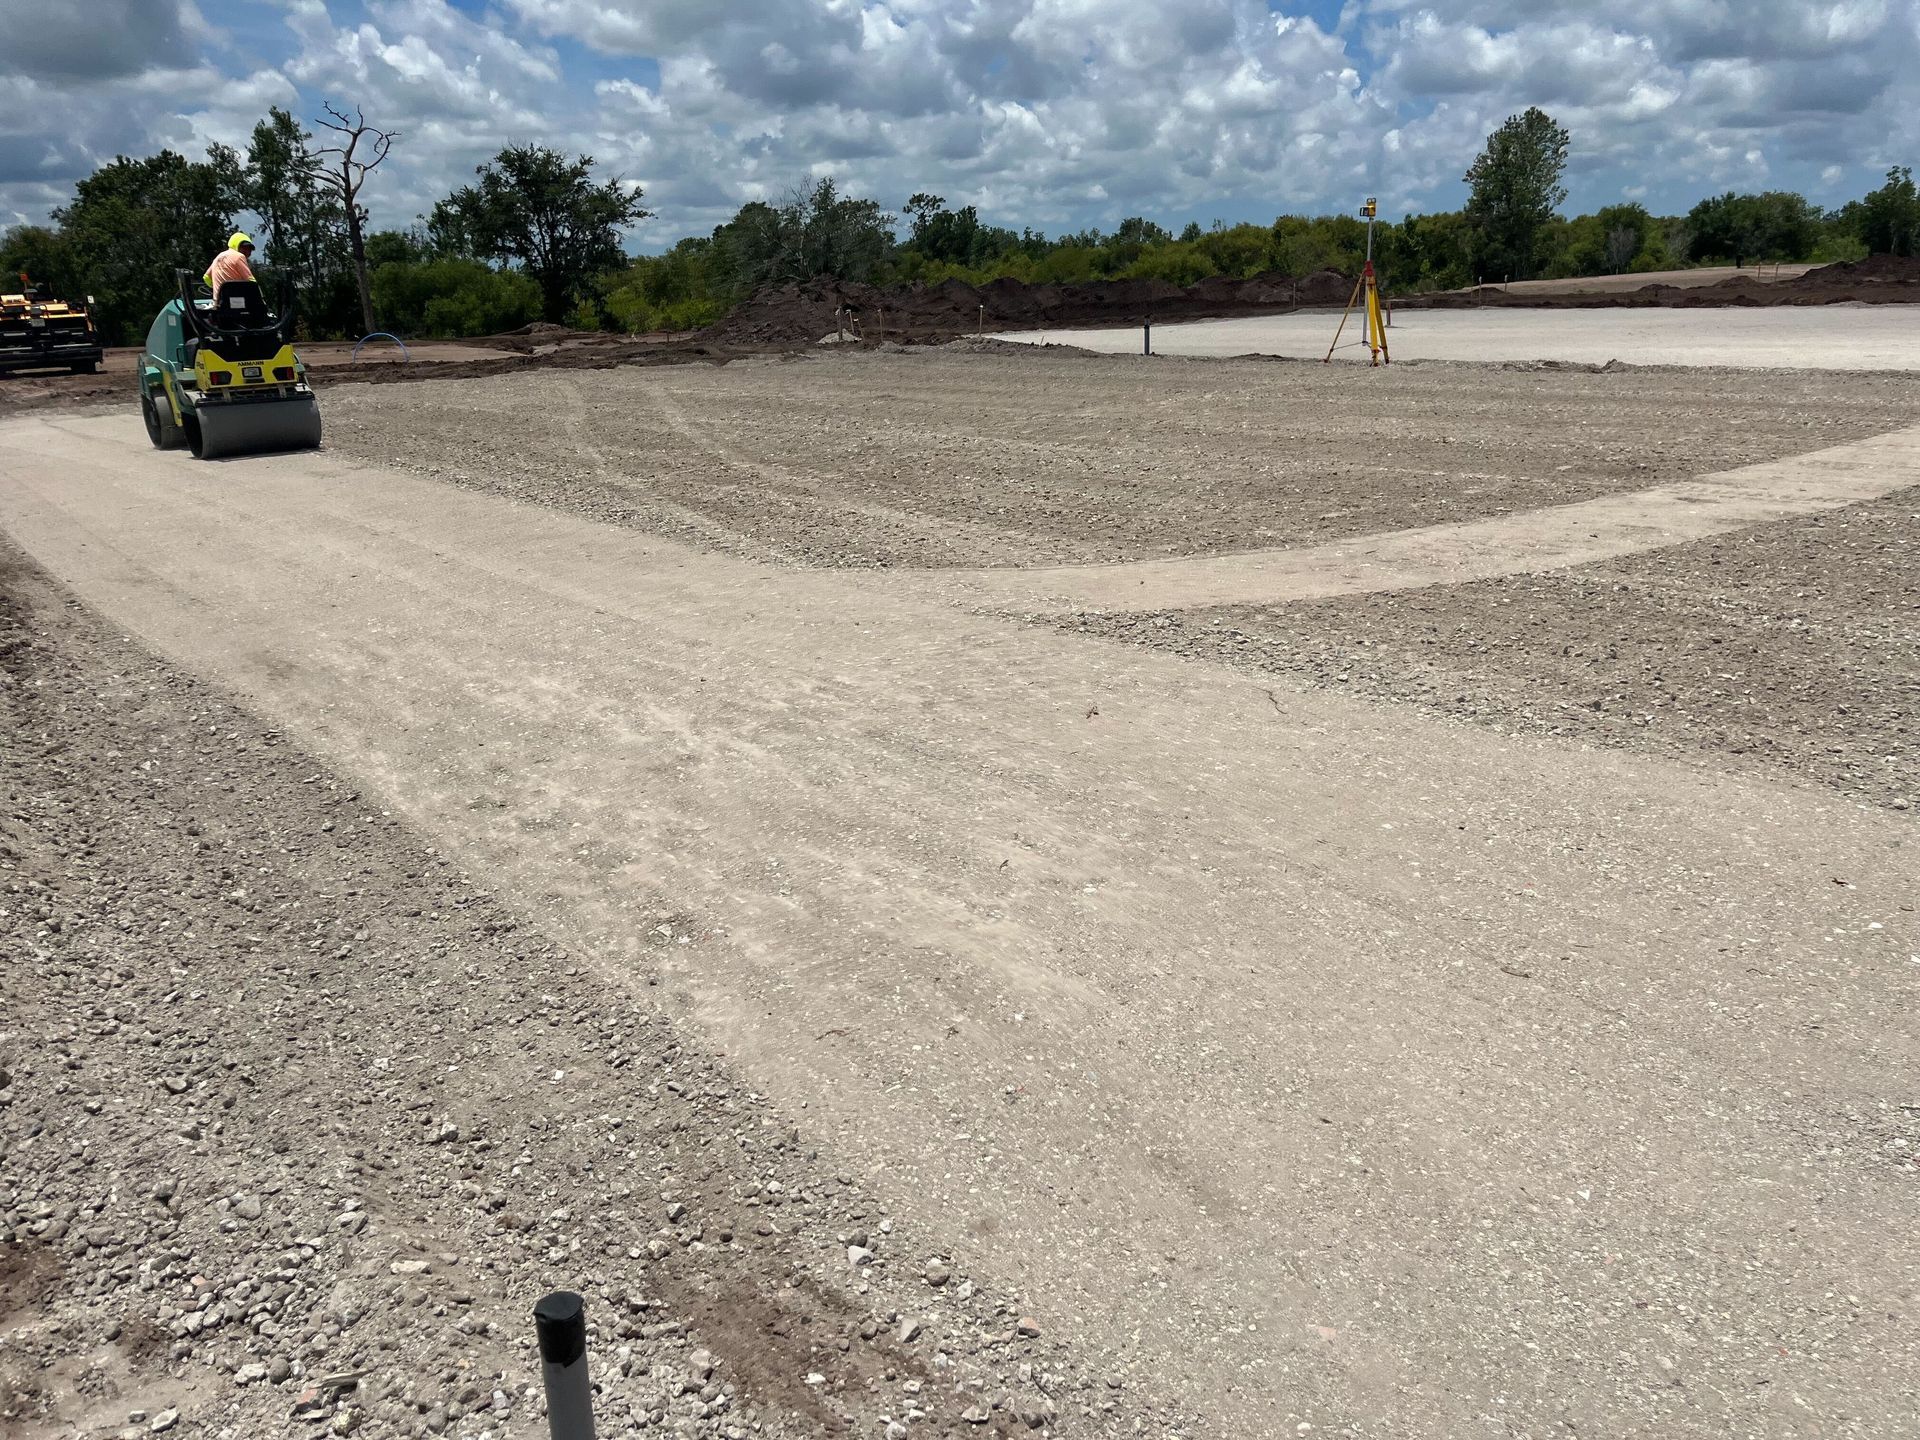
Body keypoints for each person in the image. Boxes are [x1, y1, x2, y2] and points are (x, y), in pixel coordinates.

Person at [203, 232, 256, 301]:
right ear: (235, 245)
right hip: (237, 305)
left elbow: (206, 277)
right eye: (244, 248)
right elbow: (251, 282)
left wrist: (218, 289)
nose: (247, 252)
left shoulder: (219, 257)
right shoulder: (239, 256)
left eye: (249, 249)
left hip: (219, 306)